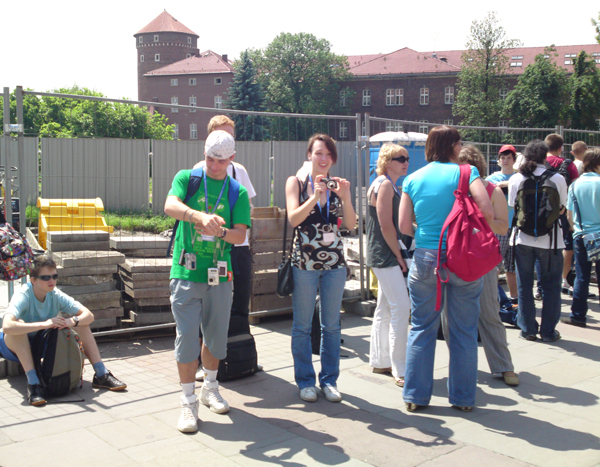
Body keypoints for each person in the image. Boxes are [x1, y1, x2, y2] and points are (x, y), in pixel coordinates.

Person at [399, 126, 493, 413]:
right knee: (463, 331)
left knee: (421, 327)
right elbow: (487, 211)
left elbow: (404, 226)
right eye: (459, 142)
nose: (461, 146)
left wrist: (427, 232)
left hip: (426, 256)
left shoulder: (413, 178)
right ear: (453, 145)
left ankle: (415, 396)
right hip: (461, 256)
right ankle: (463, 399)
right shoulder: (466, 173)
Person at [164, 130, 251, 433]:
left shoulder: (237, 191)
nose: (214, 166)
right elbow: (170, 205)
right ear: (204, 153)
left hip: (220, 275)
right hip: (186, 272)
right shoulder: (187, 178)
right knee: (187, 338)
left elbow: (240, 235)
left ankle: (210, 388)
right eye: (210, 159)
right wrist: (198, 216)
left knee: (215, 337)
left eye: (221, 161)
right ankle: (188, 402)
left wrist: (221, 232)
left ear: (232, 159)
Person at [285, 133, 357, 403]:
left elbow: (351, 224)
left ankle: (329, 381)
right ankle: (305, 381)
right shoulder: (296, 182)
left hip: (334, 263)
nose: (323, 159)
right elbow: (294, 219)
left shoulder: (337, 185)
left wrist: (346, 197)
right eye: (318, 153)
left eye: (328, 154)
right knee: (302, 325)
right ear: (309, 155)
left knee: (332, 326)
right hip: (304, 262)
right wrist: (315, 197)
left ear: (333, 158)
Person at [0, 255, 126, 406]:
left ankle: (101, 374)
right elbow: (7, 326)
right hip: (12, 347)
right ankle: (34, 384)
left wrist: (71, 321)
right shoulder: (23, 295)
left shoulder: (55, 294)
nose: (52, 281)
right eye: (45, 277)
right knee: (17, 326)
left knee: (81, 323)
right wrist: (45, 324)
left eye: (54, 276)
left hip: (41, 345)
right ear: (33, 280)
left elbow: (89, 315)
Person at [193, 115, 262, 382]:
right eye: (222, 134)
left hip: (237, 246)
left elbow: (249, 207)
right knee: (207, 305)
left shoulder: (239, 170)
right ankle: (203, 363)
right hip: (210, 248)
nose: (226, 140)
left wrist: (233, 222)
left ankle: (242, 355)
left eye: (231, 136)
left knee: (240, 301)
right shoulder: (198, 170)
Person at [451, 145, 518, 386]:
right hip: (459, 255)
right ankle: (466, 366)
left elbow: (502, 226)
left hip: (481, 256)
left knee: (488, 311)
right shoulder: (451, 189)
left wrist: (479, 219)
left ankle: (503, 365)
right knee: (460, 316)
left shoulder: (491, 190)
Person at [508, 140, 567, 342]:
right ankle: (548, 332)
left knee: (524, 286)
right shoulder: (557, 178)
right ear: (545, 156)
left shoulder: (517, 178)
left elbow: (512, 205)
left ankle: (528, 329)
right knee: (551, 286)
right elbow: (562, 207)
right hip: (551, 241)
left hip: (522, 239)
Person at [366, 143, 410, 387]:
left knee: (384, 308)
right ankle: (400, 367)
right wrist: (399, 256)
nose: (405, 162)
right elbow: (386, 225)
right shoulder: (384, 185)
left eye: (406, 158)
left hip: (383, 254)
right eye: (399, 158)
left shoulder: (386, 184)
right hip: (385, 255)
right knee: (401, 308)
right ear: (386, 161)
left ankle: (380, 360)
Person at [563, 148, 600, 328]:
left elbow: (570, 215)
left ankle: (578, 316)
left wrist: (576, 228)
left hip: (581, 235)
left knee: (582, 276)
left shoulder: (575, 185)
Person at [544, 133, 578, 295]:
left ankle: (542, 285)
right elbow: (575, 189)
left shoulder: (538, 163)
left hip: (542, 210)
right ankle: (563, 280)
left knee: (543, 245)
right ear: (561, 148)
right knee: (564, 246)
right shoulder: (568, 164)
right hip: (563, 210)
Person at [487, 144, 518, 303]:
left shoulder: (519, 178)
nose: (505, 160)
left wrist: (507, 185)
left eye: (509, 158)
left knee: (512, 266)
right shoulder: (492, 179)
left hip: (516, 226)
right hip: (499, 227)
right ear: (499, 160)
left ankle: (514, 299)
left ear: (514, 160)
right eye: (503, 158)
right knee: (494, 265)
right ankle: (494, 299)